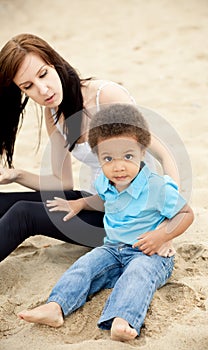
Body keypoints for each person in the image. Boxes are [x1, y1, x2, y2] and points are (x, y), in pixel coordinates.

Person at [18, 104, 194, 342]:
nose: (118, 166)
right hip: (112, 249)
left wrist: (162, 236)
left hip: (149, 253)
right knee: (85, 266)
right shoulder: (105, 181)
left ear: (143, 152)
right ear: (98, 158)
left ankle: (123, 319)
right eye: (108, 158)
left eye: (128, 156)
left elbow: (185, 214)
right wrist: (80, 204)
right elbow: (103, 199)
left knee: (138, 275)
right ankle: (56, 307)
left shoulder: (157, 186)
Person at [0, 33, 179, 262]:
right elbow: (61, 183)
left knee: (23, 214)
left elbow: (165, 155)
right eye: (28, 86)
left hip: (131, 220)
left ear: (55, 63)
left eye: (43, 74)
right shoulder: (53, 114)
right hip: (97, 201)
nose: (43, 90)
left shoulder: (105, 97)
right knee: (3, 202)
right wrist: (16, 175)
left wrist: (168, 227)